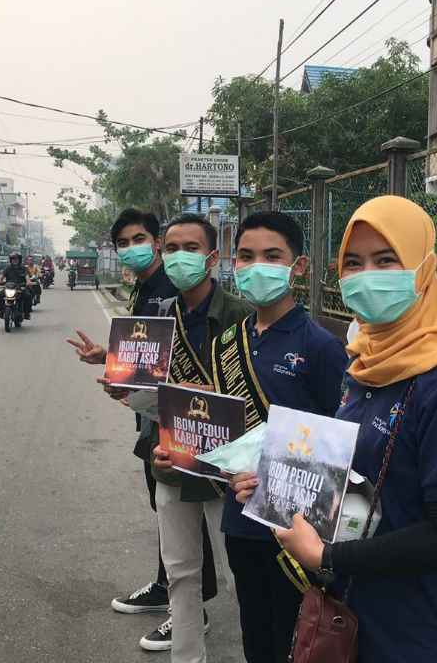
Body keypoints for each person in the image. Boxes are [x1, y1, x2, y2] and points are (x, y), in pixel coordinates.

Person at [237, 196, 437, 663]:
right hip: (357, 616)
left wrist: (326, 558)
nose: (367, 276)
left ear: (423, 269)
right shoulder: (365, 366)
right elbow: (353, 481)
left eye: (386, 261)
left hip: (422, 632)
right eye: (354, 263)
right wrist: (271, 484)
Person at [65, 209, 219, 653]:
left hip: (183, 420)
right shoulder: (148, 289)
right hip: (152, 416)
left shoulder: (175, 290)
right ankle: (167, 586)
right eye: (123, 242)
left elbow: (186, 361)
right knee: (165, 509)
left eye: (140, 239)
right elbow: (146, 354)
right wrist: (109, 360)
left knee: (188, 512)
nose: (132, 248)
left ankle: (192, 608)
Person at [210, 211, 348, 663]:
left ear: (298, 266)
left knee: (299, 641)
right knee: (256, 636)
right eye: (246, 256)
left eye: (272, 256)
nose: (257, 267)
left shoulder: (320, 346)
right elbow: (224, 431)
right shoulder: (228, 342)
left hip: (297, 530)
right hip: (240, 521)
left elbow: (341, 442)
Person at [144, 213, 252, 658]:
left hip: (227, 470)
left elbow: (260, 396)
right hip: (173, 460)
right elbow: (152, 395)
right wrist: (125, 388)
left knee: (239, 576)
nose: (179, 257)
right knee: (180, 572)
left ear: (212, 258)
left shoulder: (241, 316)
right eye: (171, 248)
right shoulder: (160, 316)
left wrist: (212, 393)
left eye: (191, 248)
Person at [0, 252, 32, 319]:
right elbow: (2, 275)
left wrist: (28, 282)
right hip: (9, 287)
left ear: (19, 260)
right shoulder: (8, 268)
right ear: (11, 260)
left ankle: (27, 313)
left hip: (20, 287)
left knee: (28, 296)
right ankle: (0, 311)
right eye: (13, 259)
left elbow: (27, 276)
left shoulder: (23, 268)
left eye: (16, 259)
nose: (14, 260)